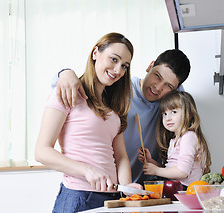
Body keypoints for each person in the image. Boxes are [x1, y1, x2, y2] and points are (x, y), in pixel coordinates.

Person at [35, 32, 142, 213]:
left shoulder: (113, 108)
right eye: (113, 59)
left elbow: (121, 156)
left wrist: (127, 188)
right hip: (79, 198)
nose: (118, 70)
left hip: (113, 201)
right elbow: (41, 151)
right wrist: (87, 171)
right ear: (95, 53)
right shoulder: (67, 93)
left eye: (124, 66)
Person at [55, 49, 191, 184]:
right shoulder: (119, 87)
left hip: (142, 187)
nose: (158, 87)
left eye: (168, 85)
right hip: (103, 182)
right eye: (157, 76)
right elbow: (78, 83)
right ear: (150, 66)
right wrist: (65, 73)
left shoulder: (170, 103)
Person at [138, 91, 211, 189]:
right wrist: (151, 162)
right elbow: (171, 170)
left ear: (188, 113)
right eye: (164, 114)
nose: (167, 118)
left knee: (143, 188)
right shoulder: (175, 139)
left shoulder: (189, 136)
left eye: (174, 112)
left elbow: (182, 172)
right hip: (175, 185)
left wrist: (156, 171)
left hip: (185, 188)